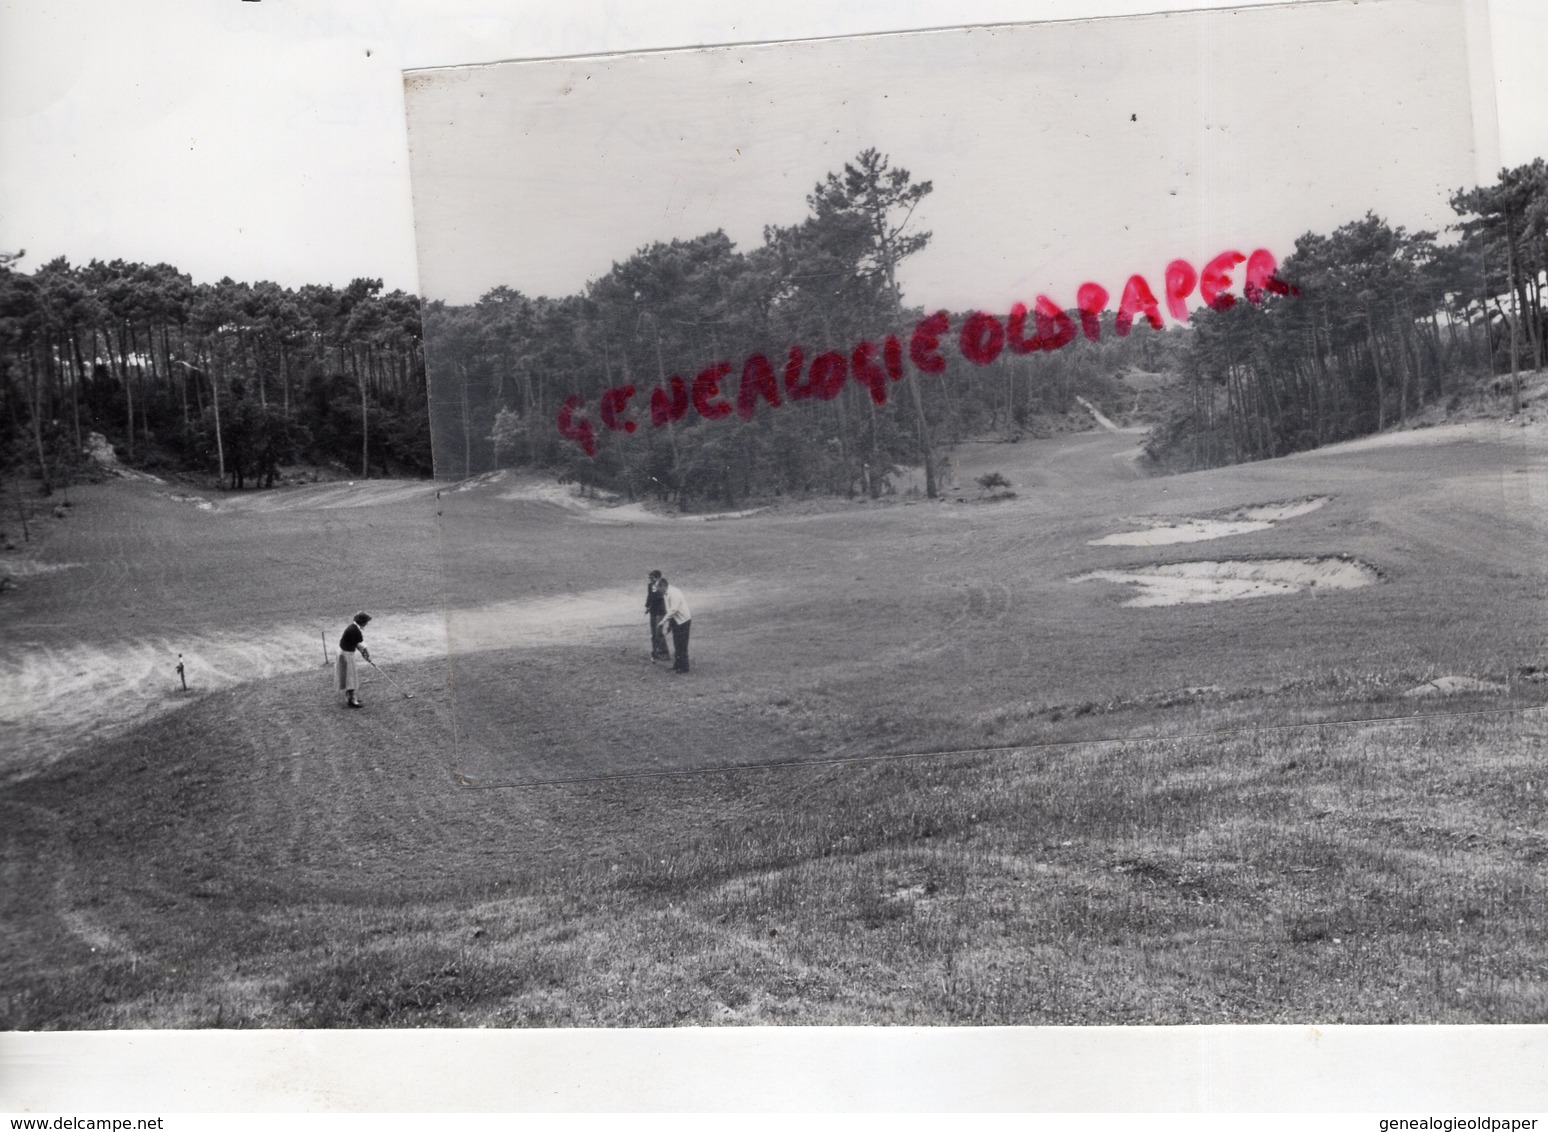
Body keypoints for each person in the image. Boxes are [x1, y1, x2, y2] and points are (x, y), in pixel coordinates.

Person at [336, 611, 372, 708]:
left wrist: (365, 655)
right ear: (362, 622)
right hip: (346, 654)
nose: (367, 623)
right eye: (366, 621)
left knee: (350, 676)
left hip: (345, 652)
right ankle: (352, 700)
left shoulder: (354, 627)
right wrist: (366, 655)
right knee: (350, 677)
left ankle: (350, 696)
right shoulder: (355, 630)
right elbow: (361, 645)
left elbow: (357, 644)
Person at [658, 577, 692, 673]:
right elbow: (669, 610)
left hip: (683, 621)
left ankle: (684, 668)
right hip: (676, 620)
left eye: (658, 587)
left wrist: (663, 621)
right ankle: (677, 665)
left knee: (682, 644)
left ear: (663, 586)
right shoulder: (665, 594)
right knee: (676, 644)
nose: (657, 590)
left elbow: (674, 609)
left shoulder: (674, 592)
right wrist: (668, 624)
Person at [646, 570, 670, 662]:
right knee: (653, 632)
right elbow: (649, 596)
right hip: (653, 611)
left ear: (657, 577)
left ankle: (664, 653)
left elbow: (660, 595)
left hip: (661, 612)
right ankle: (655, 651)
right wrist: (647, 606)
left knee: (658, 631)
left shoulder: (663, 583)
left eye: (652, 578)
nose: (650, 580)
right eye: (649, 578)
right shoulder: (650, 585)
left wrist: (656, 588)